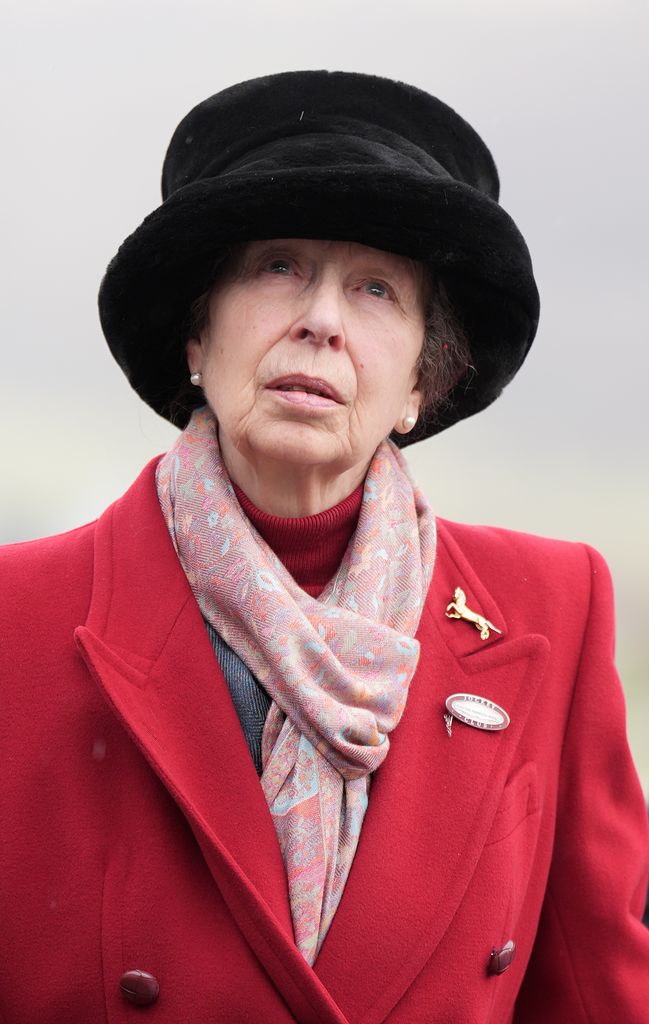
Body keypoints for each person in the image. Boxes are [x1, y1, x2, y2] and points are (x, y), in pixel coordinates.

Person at [1, 71, 648, 1024]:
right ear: (197, 332)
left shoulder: (554, 602)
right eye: (277, 268)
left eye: (376, 289)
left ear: (425, 379)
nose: (323, 320)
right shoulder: (16, 618)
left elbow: (598, 989)